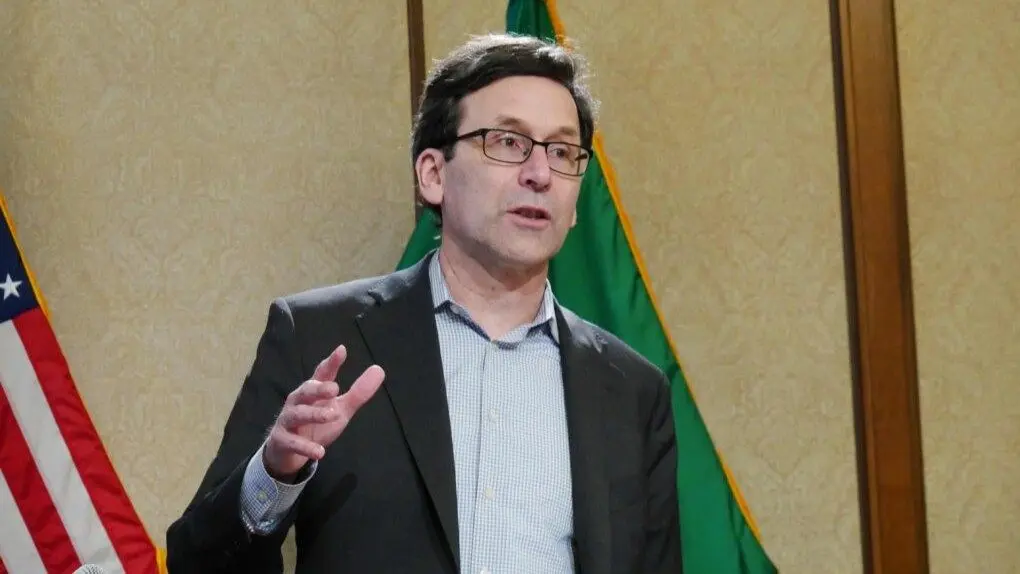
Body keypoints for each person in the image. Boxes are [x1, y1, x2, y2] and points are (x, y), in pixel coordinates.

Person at [165, 33, 681, 573]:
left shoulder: (632, 391)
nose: (540, 174)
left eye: (561, 151)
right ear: (433, 174)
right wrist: (274, 473)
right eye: (508, 142)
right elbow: (196, 563)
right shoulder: (318, 340)